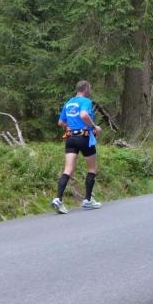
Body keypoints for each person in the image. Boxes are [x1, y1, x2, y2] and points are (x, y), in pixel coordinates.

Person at [51, 80, 103, 214]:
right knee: (92, 169)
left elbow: (60, 122)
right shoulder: (86, 101)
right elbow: (84, 115)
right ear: (85, 89)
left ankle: (58, 199)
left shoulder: (69, 103)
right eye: (90, 88)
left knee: (68, 169)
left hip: (70, 138)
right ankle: (87, 200)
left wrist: (69, 126)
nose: (90, 90)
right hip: (84, 137)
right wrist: (94, 127)